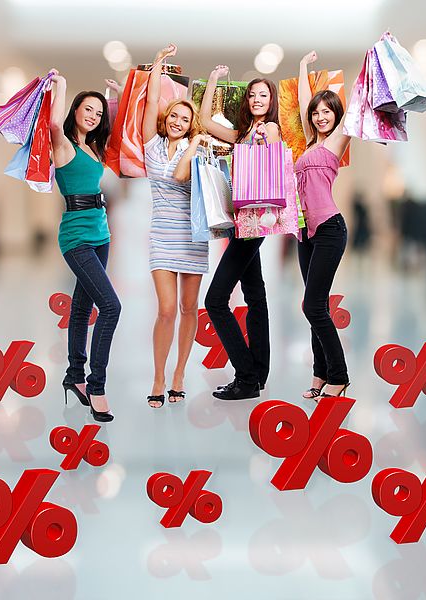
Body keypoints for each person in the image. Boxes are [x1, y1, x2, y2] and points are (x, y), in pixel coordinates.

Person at [199, 65, 281, 400]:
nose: (257, 99)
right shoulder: (244, 132)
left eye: (263, 95)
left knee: (215, 299)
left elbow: (271, 159)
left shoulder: (270, 129)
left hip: (255, 221)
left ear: (272, 100)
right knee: (255, 295)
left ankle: (246, 375)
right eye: (252, 95)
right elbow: (205, 122)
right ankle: (258, 374)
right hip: (242, 221)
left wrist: (260, 141)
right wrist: (215, 80)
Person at [141, 44, 212, 408]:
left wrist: (195, 142)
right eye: (174, 117)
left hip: (192, 234)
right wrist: (157, 65)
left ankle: (180, 373)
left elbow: (186, 177)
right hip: (162, 235)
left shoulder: (195, 148)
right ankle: (158, 376)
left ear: (190, 125)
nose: (177, 122)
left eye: (185, 120)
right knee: (166, 309)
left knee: (188, 308)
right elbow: (151, 102)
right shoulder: (151, 145)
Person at [50, 68, 118, 422]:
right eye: (87, 109)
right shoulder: (62, 145)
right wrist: (62, 84)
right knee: (111, 307)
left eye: (98, 112)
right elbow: (50, 124)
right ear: (74, 110)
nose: (92, 116)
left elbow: (121, 134)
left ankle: (74, 375)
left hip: (101, 234)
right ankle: (97, 384)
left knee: (82, 308)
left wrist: (116, 97)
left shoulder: (93, 148)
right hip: (75, 236)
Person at [295, 51, 352, 400]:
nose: (319, 117)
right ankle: (320, 374)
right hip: (306, 232)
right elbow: (305, 102)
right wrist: (302, 67)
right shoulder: (310, 142)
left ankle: (340, 375)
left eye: (326, 112)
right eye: (316, 113)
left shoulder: (337, 140)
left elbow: (356, 104)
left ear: (337, 116)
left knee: (313, 306)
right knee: (315, 305)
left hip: (330, 228)